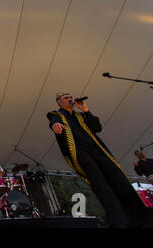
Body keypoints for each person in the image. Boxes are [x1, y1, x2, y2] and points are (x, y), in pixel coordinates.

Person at [47, 92, 146, 228]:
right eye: (66, 98)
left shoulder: (80, 116)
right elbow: (52, 120)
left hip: (98, 151)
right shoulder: (56, 114)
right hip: (81, 153)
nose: (70, 99)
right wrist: (55, 125)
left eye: (71, 97)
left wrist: (86, 110)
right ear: (59, 102)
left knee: (119, 179)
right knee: (101, 185)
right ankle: (118, 221)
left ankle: (138, 218)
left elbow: (96, 127)